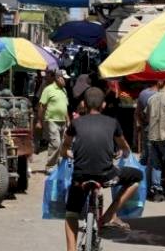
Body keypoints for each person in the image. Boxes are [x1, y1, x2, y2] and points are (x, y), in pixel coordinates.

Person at [61, 87, 143, 251]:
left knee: (71, 213)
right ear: (103, 105)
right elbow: (124, 147)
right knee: (137, 177)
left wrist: (67, 154)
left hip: (80, 177)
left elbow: (65, 146)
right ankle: (108, 216)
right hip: (107, 176)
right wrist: (124, 152)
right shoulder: (112, 123)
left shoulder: (75, 123)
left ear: (83, 104)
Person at [36, 69, 71, 171]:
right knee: (55, 143)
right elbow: (41, 106)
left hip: (63, 121)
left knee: (63, 144)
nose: (66, 81)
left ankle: (60, 165)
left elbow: (65, 107)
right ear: (58, 78)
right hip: (51, 120)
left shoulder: (64, 90)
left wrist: (68, 120)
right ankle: (50, 166)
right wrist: (39, 121)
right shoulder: (48, 89)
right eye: (64, 79)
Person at [134, 81, 159, 166]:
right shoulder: (159, 94)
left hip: (146, 126)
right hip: (157, 127)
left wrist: (140, 124)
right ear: (159, 82)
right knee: (154, 154)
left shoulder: (143, 93)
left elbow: (137, 111)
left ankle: (144, 169)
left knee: (146, 151)